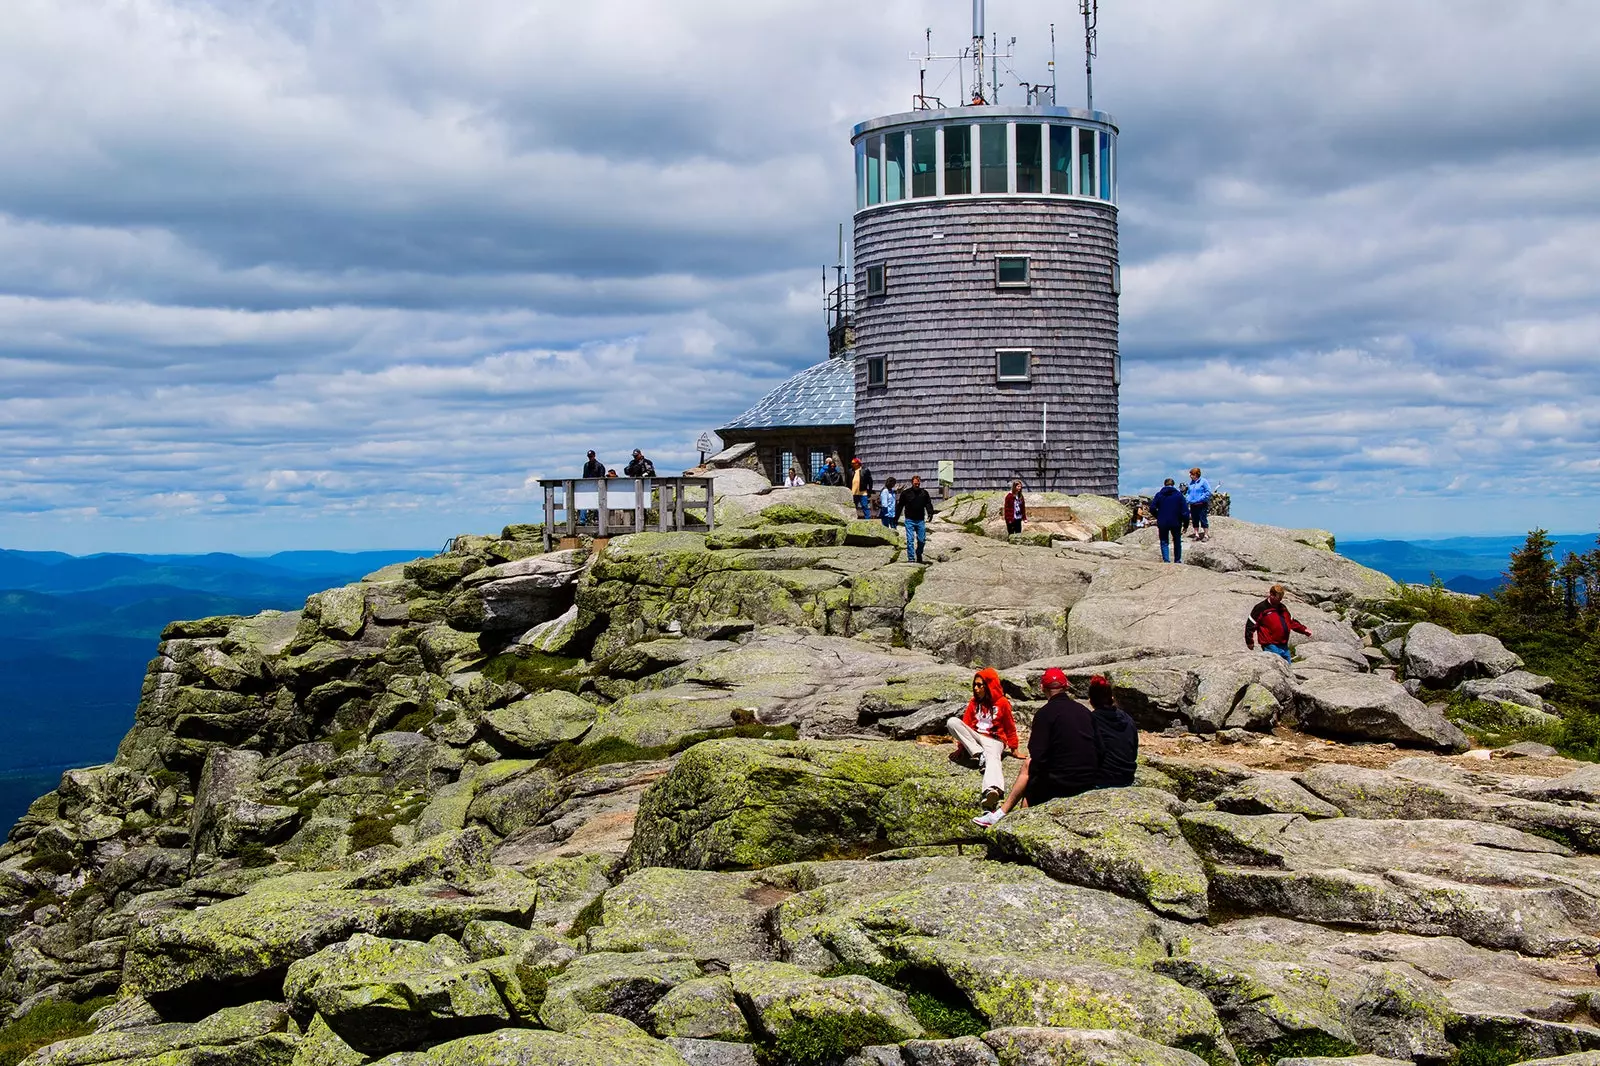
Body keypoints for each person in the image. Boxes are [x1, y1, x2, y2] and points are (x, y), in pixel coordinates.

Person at [974, 667, 1099, 827]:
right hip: (1089, 778)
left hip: (1063, 782)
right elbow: (1099, 746)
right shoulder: (1085, 711)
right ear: (1066, 687)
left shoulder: (1044, 714)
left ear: (1043, 688)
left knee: (1030, 775)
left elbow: (1037, 754)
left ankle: (1011, 821)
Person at [947, 668, 1019, 811]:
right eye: (974, 685)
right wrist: (962, 748)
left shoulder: (1002, 702)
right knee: (952, 722)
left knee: (993, 758)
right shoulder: (974, 703)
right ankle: (980, 754)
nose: (976, 688)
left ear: (989, 685)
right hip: (977, 737)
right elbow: (966, 724)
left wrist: (1014, 748)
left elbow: (1010, 726)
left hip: (995, 739)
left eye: (980, 685)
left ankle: (992, 789)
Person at [1086, 676, 1138, 788]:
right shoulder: (1128, 718)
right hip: (1127, 777)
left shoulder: (1090, 720)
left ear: (1090, 701)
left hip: (1102, 779)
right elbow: (1133, 751)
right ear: (1112, 698)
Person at [1245, 583, 1311, 664]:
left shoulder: (1282, 607)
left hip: (1283, 645)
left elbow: (1291, 622)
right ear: (1271, 595)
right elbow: (1250, 624)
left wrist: (1304, 630)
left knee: (1288, 669)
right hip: (1270, 645)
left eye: (1281, 598)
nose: (1280, 600)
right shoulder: (1261, 608)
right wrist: (1249, 641)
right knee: (1277, 667)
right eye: (1278, 598)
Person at [1151, 478, 1189, 564]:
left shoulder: (1159, 495)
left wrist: (1158, 516)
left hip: (1163, 521)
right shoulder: (1179, 495)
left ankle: (1166, 560)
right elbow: (1185, 512)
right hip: (1176, 521)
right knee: (1177, 540)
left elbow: (1152, 508)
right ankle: (1177, 560)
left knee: (1164, 541)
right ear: (1173, 485)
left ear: (1164, 484)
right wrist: (1185, 524)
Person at [900, 475, 935, 563]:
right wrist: (895, 518)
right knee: (910, 540)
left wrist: (930, 513)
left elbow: (928, 504)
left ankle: (919, 553)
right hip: (909, 520)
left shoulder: (924, 493)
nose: (917, 485)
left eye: (918, 483)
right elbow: (900, 505)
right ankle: (911, 558)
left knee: (922, 540)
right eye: (915, 483)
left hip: (920, 520)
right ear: (912, 483)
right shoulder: (906, 493)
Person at [1185, 468, 1214, 541]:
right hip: (1193, 504)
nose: (1190, 476)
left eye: (1192, 474)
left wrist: (1201, 498)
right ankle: (1196, 534)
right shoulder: (1191, 483)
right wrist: (1188, 499)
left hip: (1201, 504)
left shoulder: (1203, 481)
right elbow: (1188, 492)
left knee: (1203, 518)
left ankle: (1206, 535)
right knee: (1195, 519)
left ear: (1196, 474)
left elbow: (1208, 492)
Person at [578, 450, 606, 525]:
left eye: (591, 456)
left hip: (597, 489)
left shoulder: (600, 466)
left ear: (594, 456)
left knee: (598, 504)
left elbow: (602, 478)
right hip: (588, 489)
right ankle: (582, 520)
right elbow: (584, 477)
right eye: (589, 457)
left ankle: (597, 519)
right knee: (583, 504)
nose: (590, 458)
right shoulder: (586, 465)